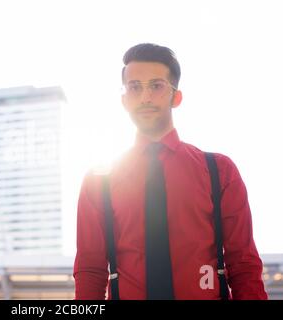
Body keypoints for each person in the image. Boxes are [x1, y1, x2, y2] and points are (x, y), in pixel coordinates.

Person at [73, 43, 268, 300]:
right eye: (134, 87)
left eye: (156, 86)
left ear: (176, 97)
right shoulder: (99, 179)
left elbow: (243, 264)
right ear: (123, 99)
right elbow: (90, 270)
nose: (145, 97)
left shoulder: (220, 171)